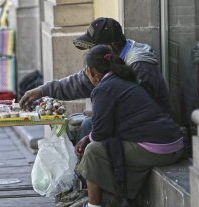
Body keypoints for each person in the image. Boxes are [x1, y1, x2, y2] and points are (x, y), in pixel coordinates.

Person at [61, 45, 183, 207]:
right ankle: (119, 201)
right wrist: (89, 136)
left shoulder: (104, 89)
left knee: (94, 150)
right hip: (174, 144)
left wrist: (87, 139)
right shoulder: (124, 80)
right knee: (105, 145)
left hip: (157, 148)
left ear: (91, 72)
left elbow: (101, 134)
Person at [19, 17, 170, 144]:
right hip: (129, 122)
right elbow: (79, 82)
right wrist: (42, 90)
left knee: (88, 127)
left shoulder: (140, 65)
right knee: (76, 123)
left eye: (92, 48)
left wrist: (104, 115)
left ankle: (86, 176)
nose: (89, 53)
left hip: (151, 131)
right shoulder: (107, 61)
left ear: (108, 48)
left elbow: (147, 109)